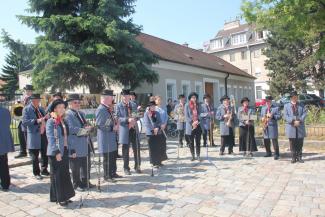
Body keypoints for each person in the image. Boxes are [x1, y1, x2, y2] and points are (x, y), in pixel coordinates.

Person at [46, 99, 75, 206]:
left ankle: (63, 196)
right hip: (56, 152)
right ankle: (60, 198)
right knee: (57, 175)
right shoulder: (51, 121)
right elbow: (51, 138)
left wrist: (72, 149)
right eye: (59, 107)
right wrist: (56, 151)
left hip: (65, 150)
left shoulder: (64, 120)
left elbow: (68, 137)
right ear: (54, 109)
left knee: (65, 174)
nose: (62, 109)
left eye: (63, 107)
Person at [66, 94, 95, 190]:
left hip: (84, 142)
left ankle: (85, 181)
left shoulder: (81, 113)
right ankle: (76, 184)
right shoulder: (67, 114)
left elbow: (86, 124)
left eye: (79, 102)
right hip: (75, 143)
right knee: (76, 166)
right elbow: (70, 129)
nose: (78, 104)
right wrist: (84, 130)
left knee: (85, 164)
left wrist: (89, 127)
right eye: (75, 102)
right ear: (70, 103)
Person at [96, 90, 122, 182]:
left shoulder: (107, 108)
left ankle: (112, 173)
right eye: (111, 97)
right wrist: (112, 128)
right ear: (106, 98)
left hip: (111, 137)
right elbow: (100, 125)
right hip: (106, 138)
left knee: (112, 156)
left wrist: (115, 122)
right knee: (107, 158)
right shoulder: (101, 109)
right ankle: (107, 176)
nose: (112, 99)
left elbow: (108, 122)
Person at [22, 93, 50, 179]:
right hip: (34, 135)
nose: (37, 101)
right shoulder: (26, 109)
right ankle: (36, 173)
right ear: (32, 100)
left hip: (43, 134)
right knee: (35, 155)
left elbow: (45, 119)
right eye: (36, 100)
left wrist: (47, 117)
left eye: (38, 100)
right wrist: (37, 120)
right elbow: (25, 122)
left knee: (45, 153)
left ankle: (44, 170)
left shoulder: (41, 108)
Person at [116, 89, 141, 175]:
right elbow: (117, 118)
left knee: (136, 148)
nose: (125, 98)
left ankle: (137, 166)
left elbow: (137, 115)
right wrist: (127, 120)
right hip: (125, 130)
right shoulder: (118, 106)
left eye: (126, 96)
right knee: (125, 150)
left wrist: (134, 119)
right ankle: (126, 168)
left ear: (129, 96)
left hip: (134, 129)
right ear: (121, 97)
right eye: (123, 96)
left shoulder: (133, 104)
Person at [284, 91, 307, 163]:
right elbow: (285, 116)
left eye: (296, 97)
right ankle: (293, 157)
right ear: (291, 98)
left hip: (300, 126)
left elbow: (304, 113)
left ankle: (299, 157)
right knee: (292, 143)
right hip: (291, 127)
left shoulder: (301, 105)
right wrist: (293, 121)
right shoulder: (286, 106)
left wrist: (299, 120)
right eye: (293, 97)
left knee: (300, 142)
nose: (295, 98)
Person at [144, 101, 166, 167]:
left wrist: (158, 127)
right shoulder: (146, 113)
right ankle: (153, 162)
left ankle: (159, 161)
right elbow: (147, 124)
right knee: (152, 148)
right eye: (151, 106)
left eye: (154, 106)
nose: (153, 107)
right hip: (150, 133)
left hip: (158, 132)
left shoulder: (157, 113)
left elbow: (160, 122)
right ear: (149, 107)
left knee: (158, 147)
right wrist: (153, 129)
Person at [15, 84, 34, 158]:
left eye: (29, 91)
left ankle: (30, 152)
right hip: (22, 119)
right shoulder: (23, 98)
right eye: (27, 91)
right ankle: (23, 151)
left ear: (32, 92)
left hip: (29, 119)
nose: (28, 92)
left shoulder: (32, 99)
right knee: (21, 135)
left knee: (28, 136)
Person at [260, 96, 282, 160]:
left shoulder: (276, 108)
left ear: (271, 101)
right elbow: (260, 116)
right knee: (266, 140)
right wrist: (261, 118)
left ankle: (276, 154)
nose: (268, 102)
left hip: (272, 126)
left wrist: (272, 116)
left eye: (269, 101)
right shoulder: (263, 108)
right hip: (265, 125)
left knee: (274, 140)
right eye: (266, 101)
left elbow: (279, 116)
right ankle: (268, 152)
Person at [0, 106, 15, 191]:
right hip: (4, 141)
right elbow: (9, 123)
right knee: (4, 163)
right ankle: (5, 184)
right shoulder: (6, 111)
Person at [185, 92, 202, 161]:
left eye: (195, 97)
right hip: (190, 126)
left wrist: (197, 121)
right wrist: (192, 122)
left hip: (198, 125)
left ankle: (198, 155)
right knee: (191, 142)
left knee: (198, 141)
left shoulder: (198, 105)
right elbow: (187, 116)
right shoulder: (187, 105)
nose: (194, 99)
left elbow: (200, 114)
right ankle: (193, 156)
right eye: (192, 98)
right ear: (190, 98)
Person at [155, 96, 168, 165]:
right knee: (158, 144)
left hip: (164, 127)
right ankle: (158, 160)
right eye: (158, 100)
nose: (159, 101)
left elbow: (166, 117)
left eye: (160, 100)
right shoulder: (155, 109)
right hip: (158, 128)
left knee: (163, 144)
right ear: (155, 101)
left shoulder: (164, 108)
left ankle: (162, 159)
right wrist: (160, 125)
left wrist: (165, 124)